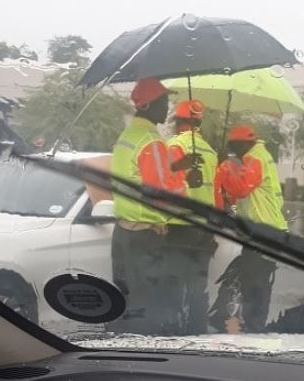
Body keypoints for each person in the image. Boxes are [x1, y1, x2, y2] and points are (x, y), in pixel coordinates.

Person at [110, 77, 194, 335]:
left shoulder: (128, 136)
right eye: (163, 101)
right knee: (149, 306)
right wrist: (186, 182)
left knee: (124, 302)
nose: (167, 107)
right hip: (146, 236)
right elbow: (160, 194)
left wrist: (177, 167)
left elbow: (141, 177)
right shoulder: (151, 141)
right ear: (147, 106)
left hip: (124, 232)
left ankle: (121, 349)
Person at [209, 124, 288, 333]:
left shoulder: (256, 157)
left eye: (234, 145)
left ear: (244, 142)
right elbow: (243, 194)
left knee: (256, 282)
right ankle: (253, 325)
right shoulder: (256, 157)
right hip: (262, 231)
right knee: (253, 278)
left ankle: (255, 328)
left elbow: (242, 187)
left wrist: (225, 167)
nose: (233, 149)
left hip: (264, 231)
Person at [165, 99, 220, 334]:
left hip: (179, 225)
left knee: (174, 282)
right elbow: (217, 195)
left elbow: (165, 186)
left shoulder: (174, 146)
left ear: (178, 121)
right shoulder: (210, 151)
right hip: (204, 227)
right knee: (198, 283)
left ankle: (174, 333)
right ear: (199, 121)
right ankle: (197, 330)